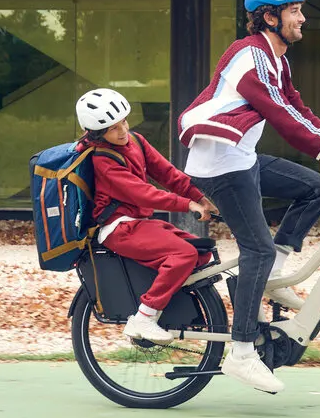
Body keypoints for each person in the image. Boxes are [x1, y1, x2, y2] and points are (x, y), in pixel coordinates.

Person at [178, 0, 320, 395]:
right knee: (256, 248)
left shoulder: (276, 58)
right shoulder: (251, 59)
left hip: (241, 158)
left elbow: (297, 107)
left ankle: (274, 275)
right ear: (270, 16)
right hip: (219, 166)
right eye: (294, 11)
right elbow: (283, 119)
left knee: (316, 189)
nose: (302, 18)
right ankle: (242, 352)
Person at [76, 87, 219, 346]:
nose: (122, 132)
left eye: (123, 123)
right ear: (97, 134)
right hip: (117, 228)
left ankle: (170, 310)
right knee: (182, 255)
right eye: (113, 128)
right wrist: (187, 205)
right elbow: (144, 194)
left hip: (139, 223)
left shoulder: (137, 141)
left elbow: (168, 174)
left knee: (201, 253)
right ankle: (144, 317)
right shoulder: (102, 160)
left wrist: (201, 198)